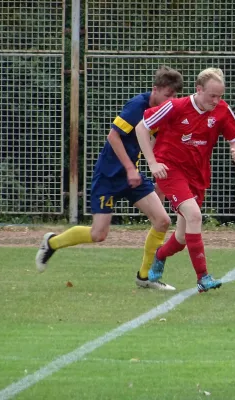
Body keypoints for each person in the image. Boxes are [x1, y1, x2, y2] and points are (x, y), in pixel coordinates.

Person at [35, 66, 184, 290]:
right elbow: (113, 136)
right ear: (155, 89)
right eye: (167, 95)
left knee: (162, 220)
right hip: (109, 176)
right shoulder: (137, 106)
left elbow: (154, 141)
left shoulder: (162, 112)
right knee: (98, 234)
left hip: (132, 176)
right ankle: (51, 243)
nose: (171, 100)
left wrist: (156, 173)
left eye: (175, 96)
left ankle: (145, 277)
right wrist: (130, 169)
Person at [135, 67, 235, 293]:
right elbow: (141, 128)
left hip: (197, 175)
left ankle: (160, 255)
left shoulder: (222, 110)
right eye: (212, 95)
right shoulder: (176, 106)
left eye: (220, 96)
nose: (216, 100)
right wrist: (152, 163)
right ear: (198, 89)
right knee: (195, 215)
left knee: (183, 237)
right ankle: (203, 277)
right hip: (170, 170)